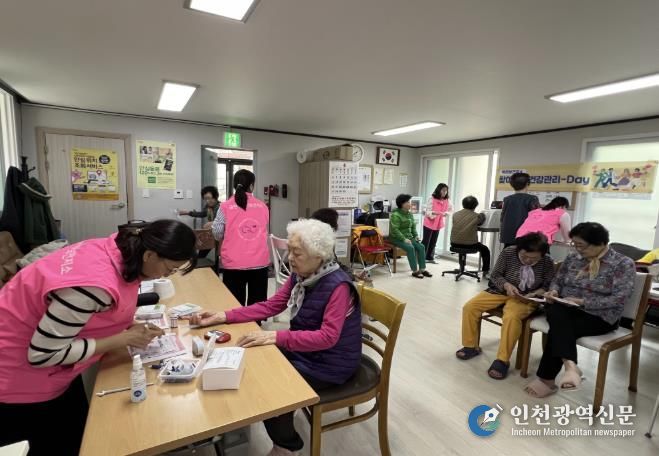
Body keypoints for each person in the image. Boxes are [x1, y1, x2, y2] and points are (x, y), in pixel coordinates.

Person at [0, 220, 197, 454]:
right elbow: (42, 354)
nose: (168, 276)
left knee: (83, 434)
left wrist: (129, 326)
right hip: (17, 377)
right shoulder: (92, 284)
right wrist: (123, 339)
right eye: (170, 269)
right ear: (149, 255)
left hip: (52, 364)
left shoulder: (118, 249)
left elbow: (100, 309)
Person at [187, 219, 362, 456]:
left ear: (319, 255)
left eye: (296, 253)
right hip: (307, 351)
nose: (289, 258)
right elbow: (271, 306)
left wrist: (276, 336)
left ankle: (287, 447)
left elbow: (327, 338)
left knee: (270, 391)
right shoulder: (302, 275)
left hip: (331, 362)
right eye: (289, 250)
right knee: (253, 360)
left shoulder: (338, 286)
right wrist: (223, 315)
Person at [524, 222, 635, 398]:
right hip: (564, 307)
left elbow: (619, 298)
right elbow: (558, 280)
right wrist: (554, 291)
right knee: (557, 313)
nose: (577, 249)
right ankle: (570, 367)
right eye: (574, 244)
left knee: (559, 325)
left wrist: (583, 302)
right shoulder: (573, 257)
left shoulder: (622, 263)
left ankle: (548, 379)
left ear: (600, 243)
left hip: (600, 316)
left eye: (581, 245)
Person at [456, 233, 555, 379]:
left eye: (533, 258)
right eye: (524, 256)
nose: (528, 260)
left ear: (542, 255)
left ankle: (502, 360)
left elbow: (548, 285)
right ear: (519, 249)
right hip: (500, 291)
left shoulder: (547, 261)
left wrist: (535, 293)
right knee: (470, 307)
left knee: (511, 316)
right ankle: (470, 346)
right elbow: (495, 275)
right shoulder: (509, 252)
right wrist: (507, 285)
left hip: (525, 298)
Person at [212, 169, 270, 306]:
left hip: (233, 263)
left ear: (235, 185)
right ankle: (256, 319)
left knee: (234, 303)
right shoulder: (263, 206)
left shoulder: (225, 206)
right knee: (257, 304)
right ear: (251, 186)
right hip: (259, 262)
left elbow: (217, 232)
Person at [389, 194, 431, 278]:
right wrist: (403, 239)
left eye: (409, 202)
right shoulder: (395, 215)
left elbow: (413, 227)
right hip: (396, 238)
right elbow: (395, 230)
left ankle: (422, 269)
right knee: (410, 248)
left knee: (421, 246)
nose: (410, 204)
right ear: (402, 204)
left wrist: (416, 236)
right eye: (408, 202)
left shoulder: (409, 214)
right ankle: (415, 271)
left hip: (409, 237)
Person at [450, 195, 491, 275]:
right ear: (475, 206)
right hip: (470, 245)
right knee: (485, 249)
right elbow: (481, 220)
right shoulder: (477, 216)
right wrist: (482, 215)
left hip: (454, 243)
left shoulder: (455, 214)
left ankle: (461, 268)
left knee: (462, 243)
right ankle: (485, 271)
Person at [179, 185, 221, 259]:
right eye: (205, 199)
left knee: (218, 254)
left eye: (209, 198)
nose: (207, 201)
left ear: (216, 196)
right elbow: (202, 214)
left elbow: (226, 222)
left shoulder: (221, 207)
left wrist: (213, 223)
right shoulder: (208, 207)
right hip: (211, 234)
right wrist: (188, 212)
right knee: (201, 252)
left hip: (220, 236)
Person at [500, 172, 540, 247]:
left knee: (508, 253)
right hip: (525, 236)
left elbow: (502, 218)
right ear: (527, 184)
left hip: (508, 236)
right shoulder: (532, 199)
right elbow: (537, 218)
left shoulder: (506, 199)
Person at [422, 183, 453, 264]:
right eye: (443, 190)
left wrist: (446, 213)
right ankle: (421, 258)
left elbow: (450, 210)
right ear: (439, 190)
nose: (445, 192)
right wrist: (434, 213)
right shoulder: (431, 198)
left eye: (446, 191)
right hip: (429, 222)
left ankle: (430, 257)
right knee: (426, 241)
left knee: (434, 241)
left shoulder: (447, 200)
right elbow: (427, 211)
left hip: (438, 222)